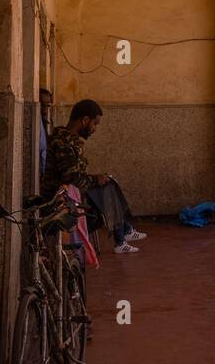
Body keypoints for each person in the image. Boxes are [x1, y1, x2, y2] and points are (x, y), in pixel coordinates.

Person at [43, 99, 146, 254]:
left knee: (108, 183)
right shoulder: (63, 143)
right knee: (107, 187)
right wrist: (96, 180)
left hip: (73, 195)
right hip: (63, 201)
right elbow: (73, 181)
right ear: (85, 120)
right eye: (95, 124)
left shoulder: (70, 141)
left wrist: (98, 179)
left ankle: (124, 232)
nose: (95, 129)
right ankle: (123, 233)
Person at [38, 87, 53, 180]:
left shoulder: (42, 121)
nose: (44, 110)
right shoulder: (38, 121)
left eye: (47, 106)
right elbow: (42, 149)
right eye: (42, 106)